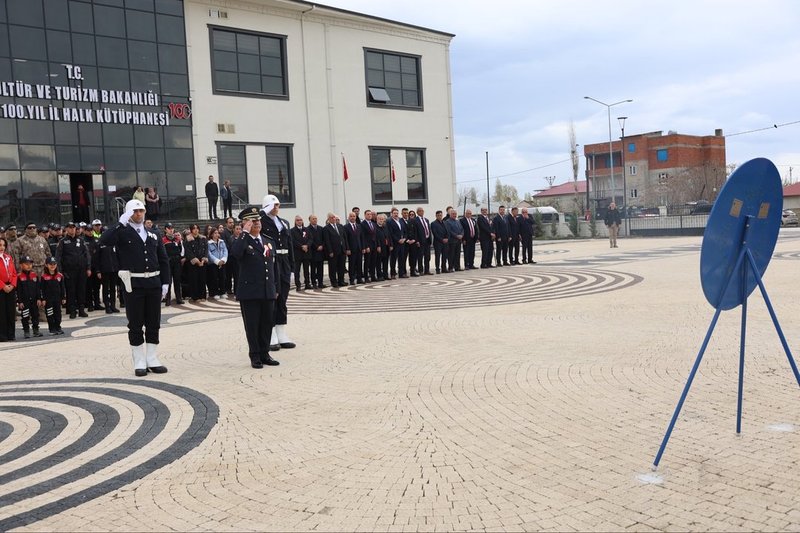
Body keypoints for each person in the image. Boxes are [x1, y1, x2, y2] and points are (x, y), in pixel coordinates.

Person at [99, 199, 170, 377]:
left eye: (141, 211)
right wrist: (120, 223)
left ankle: (152, 358)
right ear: (129, 213)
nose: (139, 214)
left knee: (154, 322)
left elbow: (163, 260)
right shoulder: (122, 233)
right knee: (136, 324)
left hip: (153, 283)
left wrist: (165, 282)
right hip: (134, 284)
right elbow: (103, 240)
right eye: (135, 211)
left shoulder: (153, 233)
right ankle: (139, 360)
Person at [230, 207, 279, 368]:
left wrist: (275, 287)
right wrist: (244, 232)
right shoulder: (243, 241)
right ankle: (255, 355)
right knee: (252, 325)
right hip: (250, 292)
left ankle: (265, 353)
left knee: (266, 324)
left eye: (258, 220)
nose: (257, 223)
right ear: (245, 223)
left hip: (267, 291)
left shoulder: (267, 242)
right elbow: (236, 253)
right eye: (252, 221)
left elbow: (274, 267)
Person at [259, 194, 295, 351]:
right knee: (272, 298)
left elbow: (290, 245)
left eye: (278, 205)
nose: (276, 208)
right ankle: (271, 332)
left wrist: (292, 268)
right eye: (274, 205)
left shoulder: (284, 223)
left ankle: (281, 332)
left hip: (284, 261)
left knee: (283, 298)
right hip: (271, 261)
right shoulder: (261, 222)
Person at [55, 221, 91, 319]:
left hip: (81, 270)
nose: (72, 229)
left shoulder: (81, 240)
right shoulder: (63, 241)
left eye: (73, 227)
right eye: (70, 227)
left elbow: (87, 254)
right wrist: (59, 270)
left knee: (81, 290)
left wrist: (88, 267)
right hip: (69, 271)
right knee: (71, 291)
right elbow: (58, 257)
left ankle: (81, 309)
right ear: (66, 229)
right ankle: (72, 310)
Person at [16, 255, 41, 339]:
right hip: (24, 301)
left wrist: (39, 298)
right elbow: (18, 291)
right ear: (21, 265)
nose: (29, 265)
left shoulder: (35, 275)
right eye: (26, 264)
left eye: (30, 263)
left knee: (35, 315)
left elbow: (38, 289)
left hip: (34, 300)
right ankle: (26, 331)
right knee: (25, 316)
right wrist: (20, 301)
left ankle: (36, 330)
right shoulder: (19, 277)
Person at [39, 257, 66, 335]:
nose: (52, 266)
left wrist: (63, 297)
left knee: (58, 314)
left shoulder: (60, 276)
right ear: (46, 265)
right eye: (50, 264)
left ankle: (58, 327)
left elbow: (62, 288)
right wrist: (43, 299)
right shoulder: (44, 277)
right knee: (50, 314)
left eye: (54, 264)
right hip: (48, 300)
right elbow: (42, 289)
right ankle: (52, 329)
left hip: (57, 299)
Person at [98, 235, 122, 313]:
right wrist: (98, 271)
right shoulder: (100, 244)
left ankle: (113, 305)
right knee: (105, 288)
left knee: (113, 288)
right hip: (105, 270)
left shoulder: (114, 244)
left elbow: (118, 256)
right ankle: (107, 306)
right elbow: (97, 258)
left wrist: (119, 268)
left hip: (114, 270)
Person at [323, 212, 347, 287]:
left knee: (341, 266)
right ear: (328, 219)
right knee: (333, 267)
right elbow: (327, 241)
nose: (334, 219)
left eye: (334, 217)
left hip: (342, 250)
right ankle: (334, 282)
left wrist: (346, 248)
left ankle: (341, 281)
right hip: (333, 251)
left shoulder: (340, 226)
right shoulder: (326, 228)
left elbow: (344, 238)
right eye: (332, 218)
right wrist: (330, 251)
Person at [0, 237, 17, 342]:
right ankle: (2, 335)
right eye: (0, 245)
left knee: (11, 311)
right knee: (1, 312)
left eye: (3, 245)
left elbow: (14, 273)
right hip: (1, 288)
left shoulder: (8, 257)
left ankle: (11, 334)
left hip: (10, 287)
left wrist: (12, 285)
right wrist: (3, 286)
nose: (2, 247)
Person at [290, 215, 311, 290]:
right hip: (297, 253)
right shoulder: (292, 231)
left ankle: (307, 283)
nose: (299, 221)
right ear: (295, 222)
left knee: (306, 270)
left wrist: (307, 246)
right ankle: (298, 285)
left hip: (306, 252)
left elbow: (310, 239)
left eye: (301, 220)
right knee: (297, 270)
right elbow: (293, 241)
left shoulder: (306, 229)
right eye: (298, 220)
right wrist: (301, 246)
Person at [343, 211, 364, 284]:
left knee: (359, 264)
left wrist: (363, 247)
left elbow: (362, 238)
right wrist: (347, 248)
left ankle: (359, 279)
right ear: (348, 218)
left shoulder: (359, 226)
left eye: (354, 216)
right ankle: (351, 279)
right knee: (352, 264)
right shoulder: (345, 227)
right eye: (351, 216)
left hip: (359, 248)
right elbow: (345, 239)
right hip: (351, 249)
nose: (352, 218)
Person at [207, 227, 228, 299]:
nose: (216, 234)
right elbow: (209, 254)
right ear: (211, 234)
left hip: (222, 262)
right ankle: (215, 293)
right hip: (213, 264)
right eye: (215, 233)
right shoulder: (209, 243)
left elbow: (225, 251)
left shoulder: (222, 242)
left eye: (217, 233)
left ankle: (222, 291)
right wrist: (217, 261)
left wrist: (223, 260)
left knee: (222, 277)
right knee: (214, 278)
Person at [307, 215, 326, 289]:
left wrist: (322, 246)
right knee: (313, 268)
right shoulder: (307, 229)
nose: (315, 220)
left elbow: (324, 239)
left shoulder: (321, 228)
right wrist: (316, 247)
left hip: (321, 252)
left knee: (320, 268)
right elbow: (309, 239)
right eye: (313, 219)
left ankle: (320, 283)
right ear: (310, 220)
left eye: (316, 218)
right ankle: (314, 283)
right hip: (313, 252)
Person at [388, 207, 407, 278]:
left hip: (402, 243)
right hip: (395, 243)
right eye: (394, 213)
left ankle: (401, 273)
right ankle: (393, 274)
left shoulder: (400, 221)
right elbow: (391, 233)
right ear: (391, 214)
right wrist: (398, 240)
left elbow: (405, 231)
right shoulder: (389, 222)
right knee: (393, 259)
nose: (396, 214)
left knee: (402, 258)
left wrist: (404, 238)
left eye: (397, 213)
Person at [413, 207, 432, 275]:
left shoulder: (426, 220)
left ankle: (427, 270)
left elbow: (429, 230)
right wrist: (417, 241)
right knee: (420, 256)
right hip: (420, 241)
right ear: (417, 212)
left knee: (427, 256)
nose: (421, 212)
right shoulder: (415, 220)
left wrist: (430, 239)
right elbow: (415, 232)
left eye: (422, 211)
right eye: (420, 211)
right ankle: (421, 270)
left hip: (427, 240)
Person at [431, 210, 448, 274]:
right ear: (436, 216)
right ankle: (437, 269)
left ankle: (444, 268)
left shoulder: (445, 222)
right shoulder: (433, 223)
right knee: (438, 256)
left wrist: (447, 238)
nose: (439, 216)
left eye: (440, 215)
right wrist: (441, 239)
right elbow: (435, 233)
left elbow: (447, 231)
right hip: (438, 242)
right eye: (438, 215)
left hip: (445, 242)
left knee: (445, 255)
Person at [375, 213, 391, 281]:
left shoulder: (385, 227)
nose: (381, 220)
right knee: (379, 263)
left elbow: (388, 237)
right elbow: (376, 238)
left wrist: (391, 245)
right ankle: (379, 276)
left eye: (382, 219)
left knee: (385, 262)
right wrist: (378, 246)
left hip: (386, 247)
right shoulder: (375, 228)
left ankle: (385, 275)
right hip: (380, 247)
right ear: (377, 220)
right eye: (380, 219)